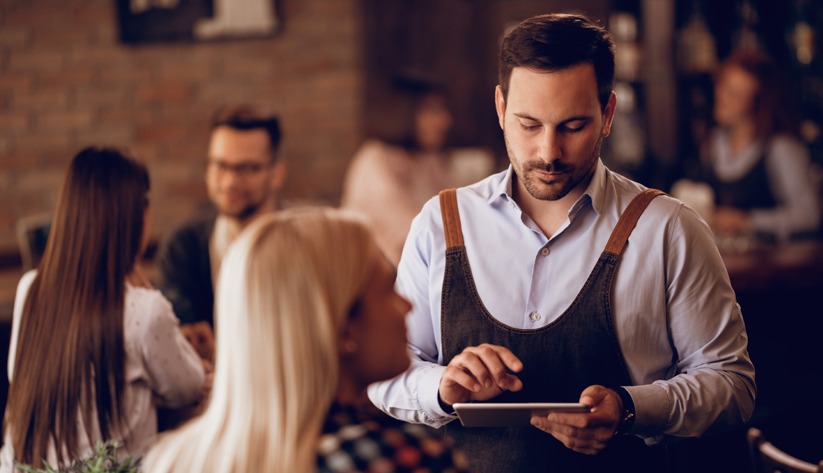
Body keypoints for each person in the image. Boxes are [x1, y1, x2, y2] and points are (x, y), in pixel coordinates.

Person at [368, 13, 756, 473]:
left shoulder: (669, 229)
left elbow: (732, 385)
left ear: (608, 114)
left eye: (572, 126)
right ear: (500, 108)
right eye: (529, 125)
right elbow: (385, 375)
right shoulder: (441, 223)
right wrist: (441, 386)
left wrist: (631, 408)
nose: (548, 153)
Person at [144, 209, 469, 473]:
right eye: (387, 291)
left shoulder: (171, 461)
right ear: (343, 329)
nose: (408, 305)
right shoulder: (406, 457)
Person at [0, 148, 206, 472]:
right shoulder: (143, 309)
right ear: (137, 217)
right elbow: (190, 388)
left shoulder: (30, 288)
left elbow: (17, 375)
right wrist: (143, 282)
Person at [156, 105, 286, 360]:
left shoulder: (306, 241)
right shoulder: (183, 246)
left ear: (277, 174)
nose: (230, 181)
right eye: (220, 165)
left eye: (246, 168)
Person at [341, 78, 466, 266]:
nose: (445, 120)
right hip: (379, 277)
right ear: (403, 113)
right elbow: (416, 233)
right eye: (432, 110)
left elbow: (462, 211)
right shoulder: (375, 160)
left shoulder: (429, 160)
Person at [703, 50, 820, 240]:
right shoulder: (715, 142)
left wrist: (747, 221)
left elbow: (809, 216)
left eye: (734, 94)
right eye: (722, 85)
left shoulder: (780, 147)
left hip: (770, 258)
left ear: (757, 103)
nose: (722, 96)